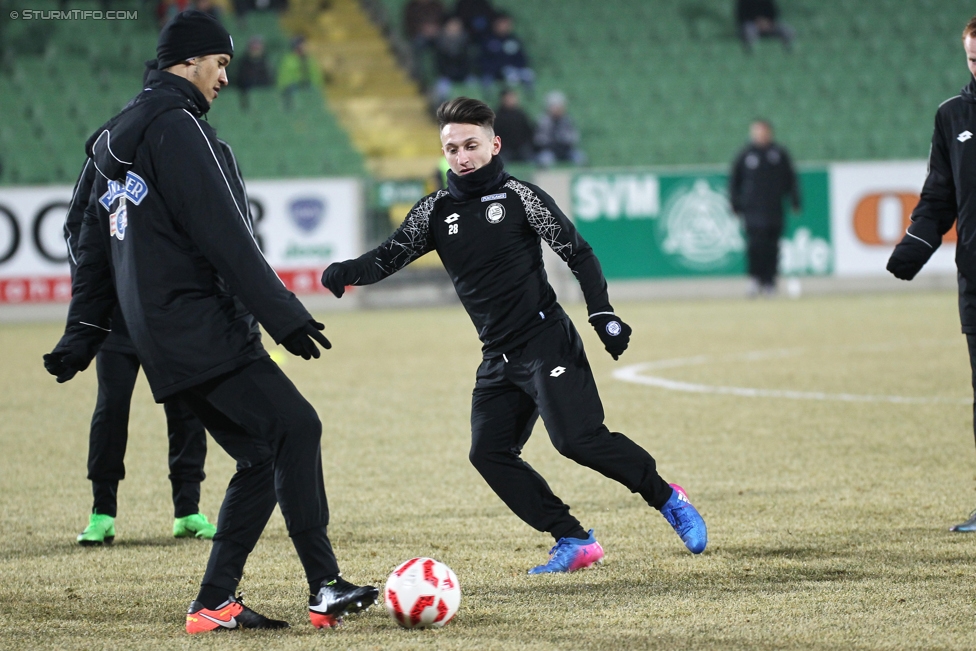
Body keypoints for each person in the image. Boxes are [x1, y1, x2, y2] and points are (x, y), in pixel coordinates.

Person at [43, 10, 377, 632]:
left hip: (156, 335)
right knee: (296, 428)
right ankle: (324, 585)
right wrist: (282, 314)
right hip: (200, 326)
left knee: (260, 455)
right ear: (189, 60)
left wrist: (84, 331)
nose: (224, 77)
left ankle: (214, 603)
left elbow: (85, 240)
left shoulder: (113, 139)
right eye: (219, 64)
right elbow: (225, 232)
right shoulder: (179, 128)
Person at [321, 97, 707, 574]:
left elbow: (578, 254)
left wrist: (601, 313)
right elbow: (387, 257)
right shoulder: (435, 211)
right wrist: (344, 272)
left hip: (547, 342)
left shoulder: (521, 197)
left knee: (577, 440)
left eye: (471, 145)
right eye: (451, 148)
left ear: (493, 143)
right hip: (498, 357)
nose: (461, 157)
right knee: (488, 453)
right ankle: (573, 538)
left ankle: (669, 499)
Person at [64, 160, 216, 547]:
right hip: (117, 315)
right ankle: (102, 513)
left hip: (169, 314)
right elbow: (75, 225)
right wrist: (94, 293)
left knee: (186, 407)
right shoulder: (104, 153)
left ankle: (188, 510)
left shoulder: (175, 146)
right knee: (111, 407)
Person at [887, 15, 976, 533]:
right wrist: (914, 247)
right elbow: (939, 194)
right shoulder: (952, 116)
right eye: (971, 59)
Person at [728, 119, 800, 296]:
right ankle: (754, 279)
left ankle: (770, 281)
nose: (760, 134)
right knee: (754, 246)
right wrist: (735, 204)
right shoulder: (745, 155)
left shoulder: (779, 154)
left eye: (763, 131)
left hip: (774, 209)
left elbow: (790, 179)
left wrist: (795, 201)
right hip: (752, 210)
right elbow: (734, 182)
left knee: (773, 246)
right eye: (756, 131)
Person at [480, 12, 534, 95]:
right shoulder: (488, 40)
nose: (504, 26)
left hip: (513, 70)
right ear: (495, 24)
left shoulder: (514, 40)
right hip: (493, 72)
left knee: (528, 74)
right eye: (502, 24)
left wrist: (515, 66)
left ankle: (529, 95)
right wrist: (499, 68)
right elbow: (483, 60)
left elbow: (522, 58)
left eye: (507, 24)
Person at [534, 90, 586, 167]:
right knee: (545, 160)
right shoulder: (543, 121)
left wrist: (564, 139)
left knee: (581, 158)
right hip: (550, 151)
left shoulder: (567, 120)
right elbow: (538, 139)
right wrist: (551, 141)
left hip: (566, 150)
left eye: (560, 106)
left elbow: (574, 136)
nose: (558, 109)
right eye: (555, 106)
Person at [433, 16, 476, 104]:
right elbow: (439, 64)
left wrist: (462, 74)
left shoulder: (466, 42)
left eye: (457, 26)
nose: (454, 28)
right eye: (452, 26)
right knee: (441, 88)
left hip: (463, 75)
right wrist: (449, 73)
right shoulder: (439, 43)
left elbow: (468, 62)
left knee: (474, 84)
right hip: (446, 76)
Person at [277, 36, 323, 110]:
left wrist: (316, 85)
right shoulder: (288, 60)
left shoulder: (309, 59)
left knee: (313, 91)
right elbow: (284, 79)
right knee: (294, 92)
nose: (305, 47)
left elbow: (316, 76)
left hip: (307, 86)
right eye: (302, 45)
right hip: (292, 87)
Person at [493, 88, 534, 163]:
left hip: (521, 148)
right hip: (504, 149)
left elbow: (529, 131)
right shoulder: (497, 116)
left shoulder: (521, 114)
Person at [234, 35, 274, 110]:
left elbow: (269, 80)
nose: (256, 50)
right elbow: (240, 81)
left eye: (258, 48)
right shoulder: (243, 63)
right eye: (254, 48)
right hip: (246, 94)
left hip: (263, 95)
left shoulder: (265, 63)